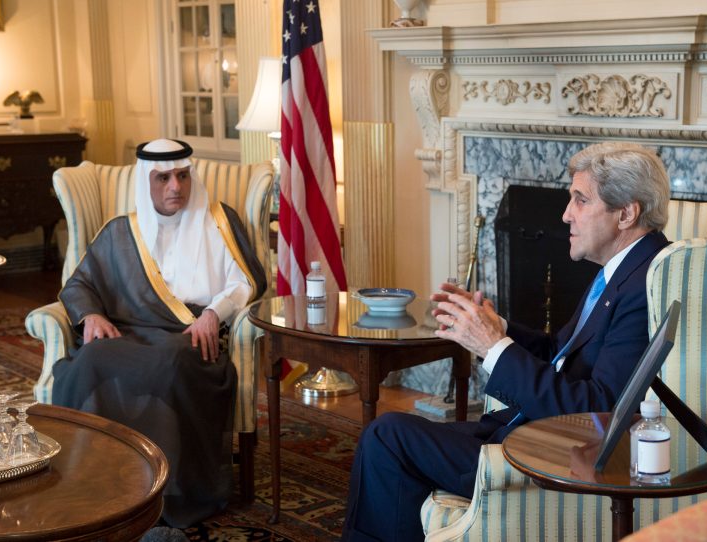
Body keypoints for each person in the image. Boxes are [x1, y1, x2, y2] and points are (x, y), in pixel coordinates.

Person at [341, 141, 671, 541]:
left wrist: (492, 347)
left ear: (626, 213)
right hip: (529, 431)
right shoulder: (624, 272)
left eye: (580, 200)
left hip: (555, 454)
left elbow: (600, 410)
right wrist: (497, 326)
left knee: (387, 436)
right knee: (393, 438)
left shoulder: (643, 285)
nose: (566, 214)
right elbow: (558, 353)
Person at [52, 138, 267, 528]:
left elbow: (245, 282)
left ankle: (166, 495)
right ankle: (93, 486)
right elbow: (79, 284)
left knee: (169, 365)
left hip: (191, 335)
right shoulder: (121, 232)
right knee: (90, 359)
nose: (176, 187)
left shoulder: (219, 219)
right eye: (164, 178)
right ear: (144, 182)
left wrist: (214, 314)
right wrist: (91, 317)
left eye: (183, 176)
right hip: (130, 331)